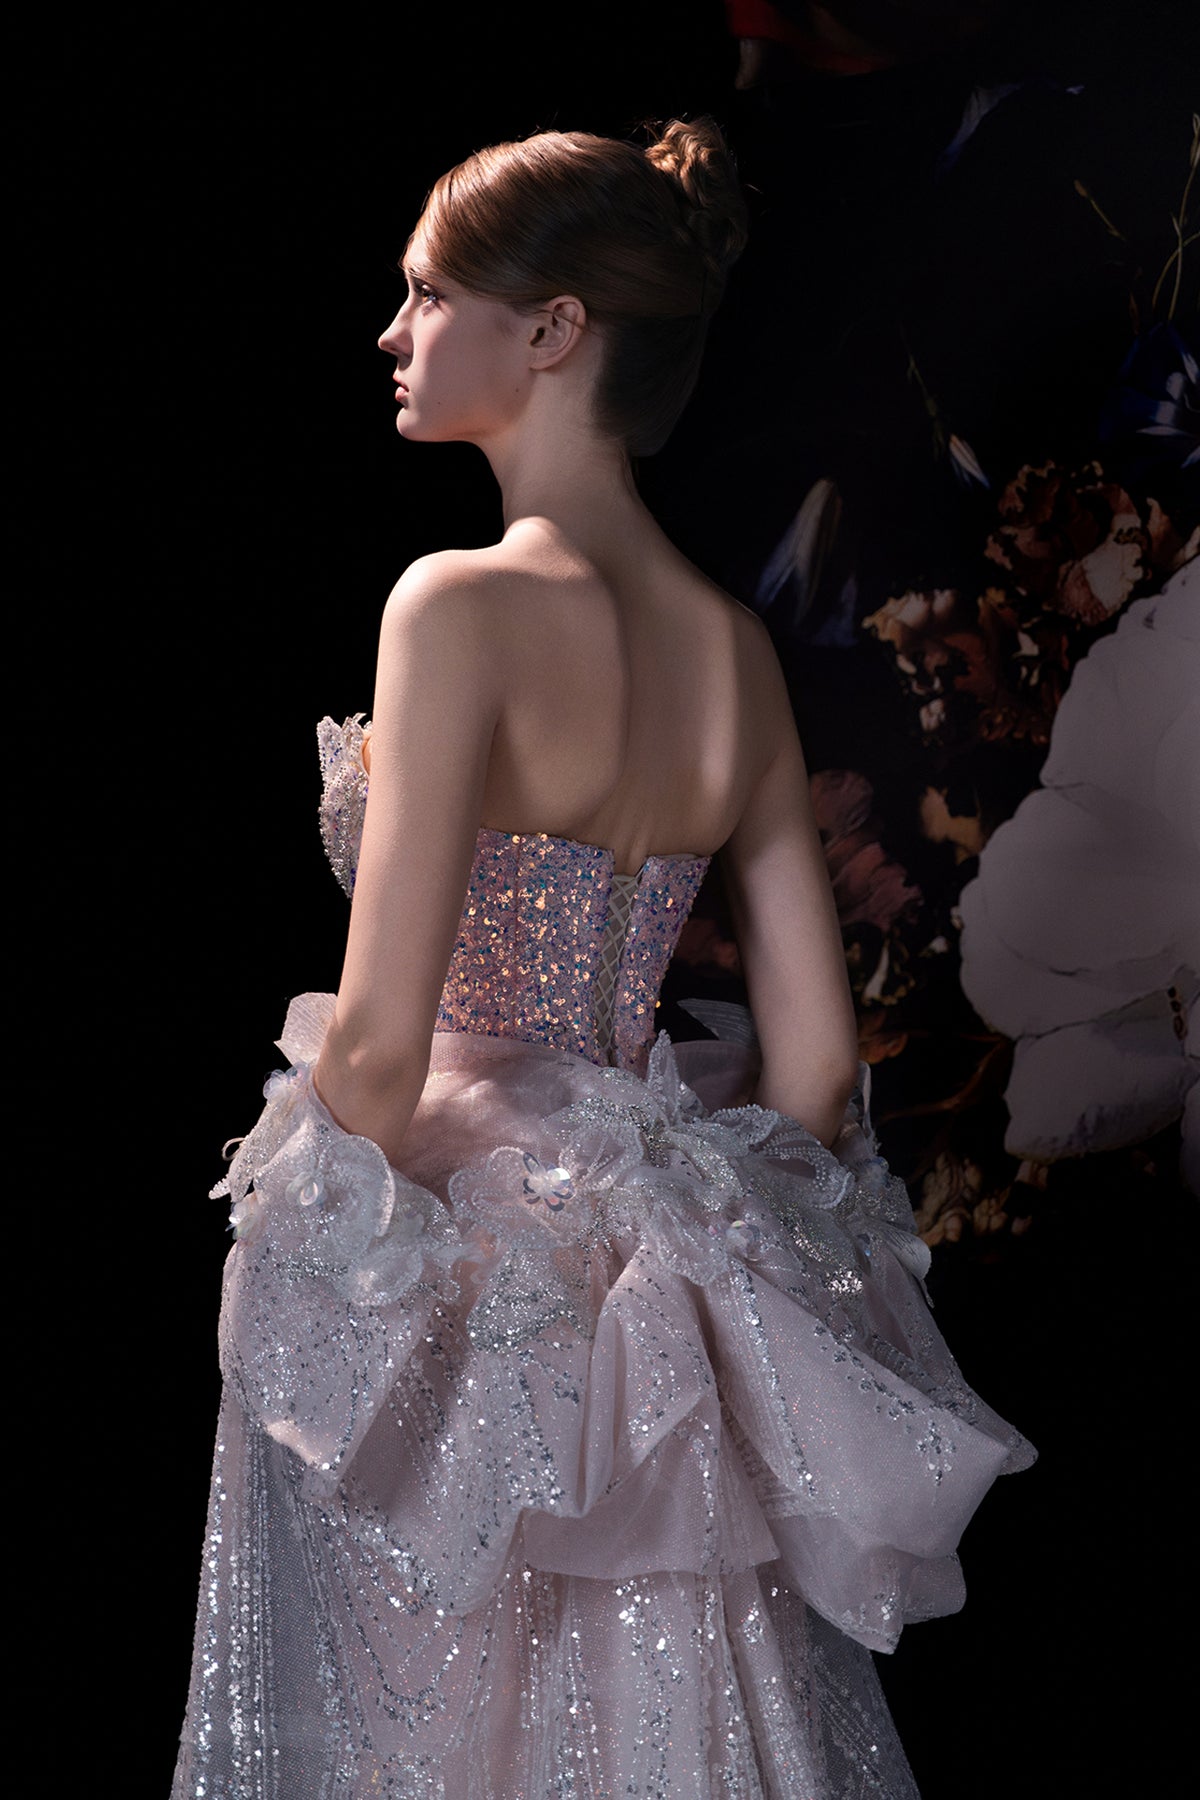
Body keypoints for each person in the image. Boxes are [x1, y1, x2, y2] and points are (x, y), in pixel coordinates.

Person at [173, 118, 1032, 1798]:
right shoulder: (733, 653)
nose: (393, 332)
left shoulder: (455, 608)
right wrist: (686, 1251)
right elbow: (815, 1072)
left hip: (460, 1279)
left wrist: (300, 1234)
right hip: (659, 1302)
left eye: (430, 294)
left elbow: (378, 1041)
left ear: (554, 327)